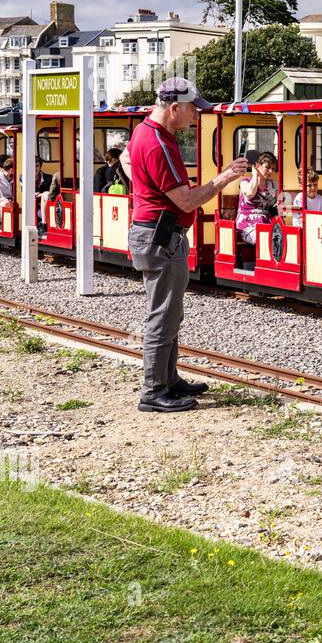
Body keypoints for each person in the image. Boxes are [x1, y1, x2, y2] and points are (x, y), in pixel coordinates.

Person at [121, 77, 248, 414]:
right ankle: (153, 391)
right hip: (160, 237)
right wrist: (224, 178)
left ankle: (168, 379)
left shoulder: (147, 133)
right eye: (193, 109)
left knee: (168, 313)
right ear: (175, 108)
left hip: (156, 234)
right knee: (163, 315)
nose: (196, 115)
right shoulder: (157, 143)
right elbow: (187, 200)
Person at [235, 151, 279, 247]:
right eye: (267, 167)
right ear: (258, 166)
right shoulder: (245, 182)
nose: (271, 171)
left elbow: (278, 202)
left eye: (273, 169)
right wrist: (255, 175)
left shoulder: (272, 185)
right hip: (247, 224)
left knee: (281, 237)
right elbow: (250, 194)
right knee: (265, 238)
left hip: (266, 222)